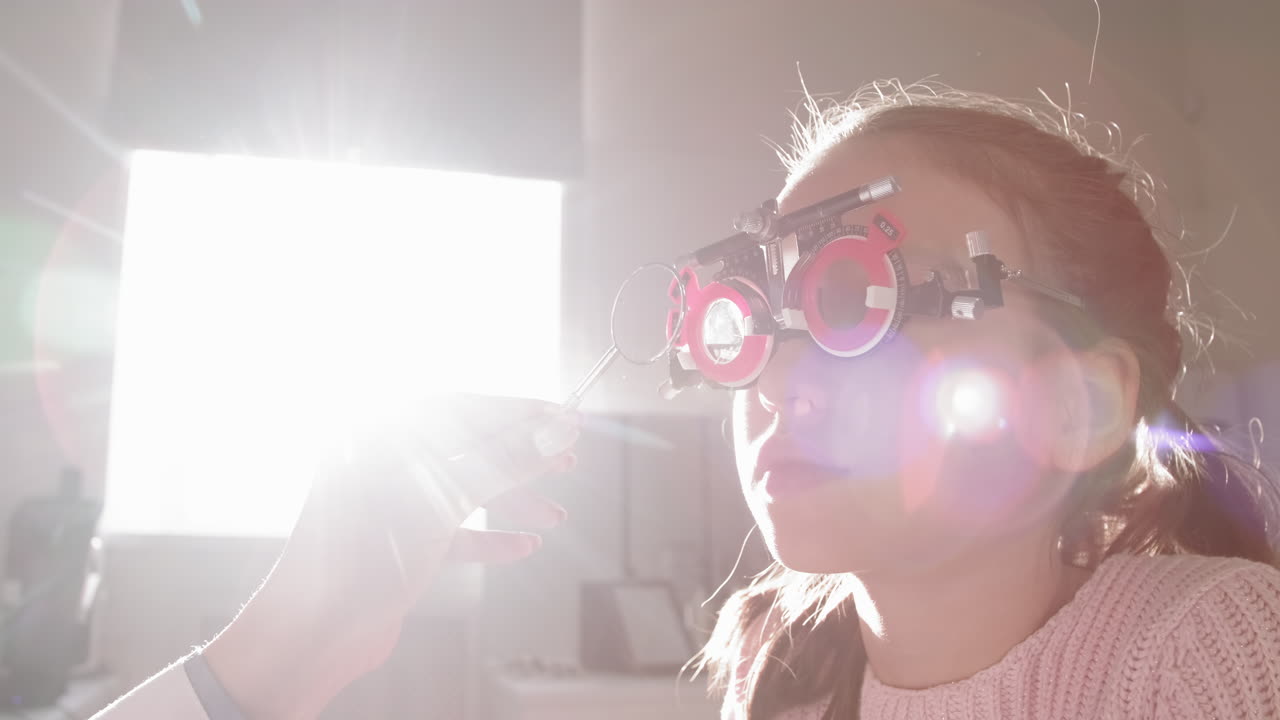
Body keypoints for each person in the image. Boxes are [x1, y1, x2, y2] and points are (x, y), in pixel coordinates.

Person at [93, 81, 1280, 719]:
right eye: (745, 323)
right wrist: (287, 644)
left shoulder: (1201, 649)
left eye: (853, 299)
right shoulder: (789, 689)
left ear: (1074, 405)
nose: (772, 379)